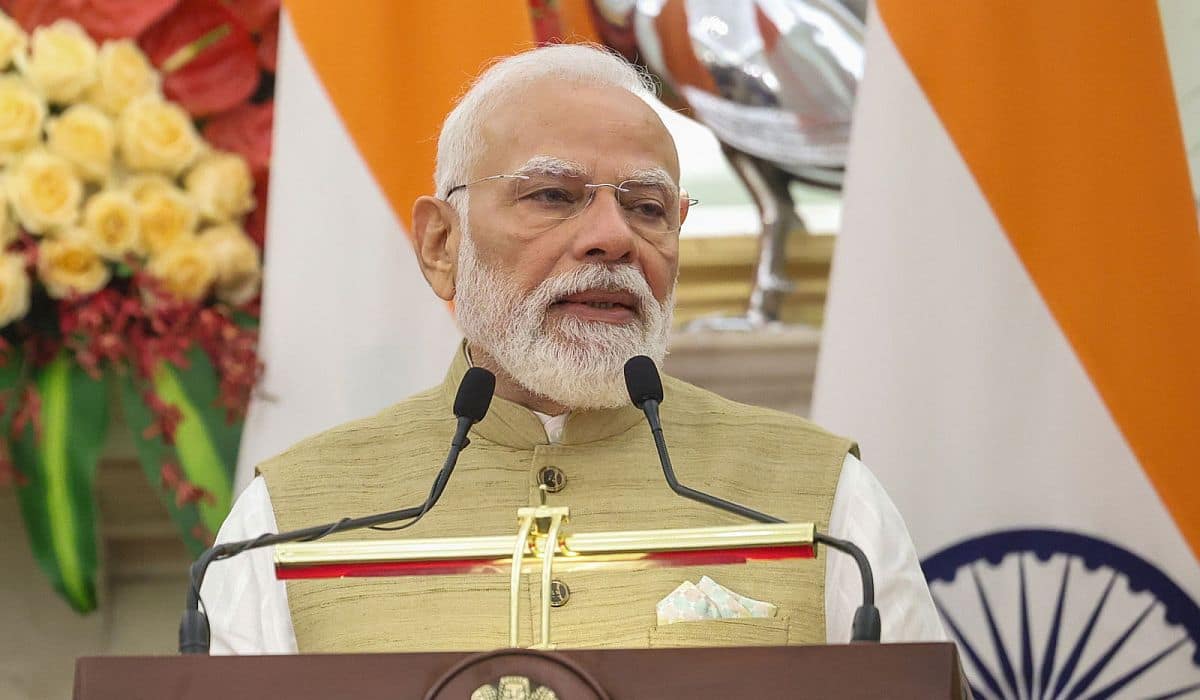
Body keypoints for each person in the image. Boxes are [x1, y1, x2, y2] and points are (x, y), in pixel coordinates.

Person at [202, 44, 944, 653]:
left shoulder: (827, 505)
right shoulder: (288, 521)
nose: (613, 238)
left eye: (647, 207)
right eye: (553, 195)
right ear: (440, 243)